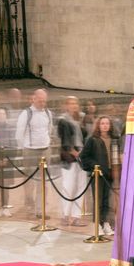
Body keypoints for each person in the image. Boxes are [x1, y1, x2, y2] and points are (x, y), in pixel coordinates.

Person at [14, 88, 53, 216]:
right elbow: (19, 134)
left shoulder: (48, 113)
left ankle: (40, 209)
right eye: (40, 101)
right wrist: (22, 148)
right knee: (29, 180)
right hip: (30, 151)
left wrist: (47, 143)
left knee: (44, 181)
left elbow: (49, 129)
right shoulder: (26, 113)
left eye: (44, 101)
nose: (42, 103)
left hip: (45, 150)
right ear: (34, 99)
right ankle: (29, 205)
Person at [80, 115, 119, 236]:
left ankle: (106, 223)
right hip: (97, 175)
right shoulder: (93, 139)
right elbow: (84, 156)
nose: (105, 125)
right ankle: (97, 224)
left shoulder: (114, 139)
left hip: (109, 174)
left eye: (107, 123)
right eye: (102, 123)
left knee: (107, 201)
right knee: (98, 200)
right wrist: (95, 166)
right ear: (98, 125)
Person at [57, 96, 87, 226]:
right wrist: (76, 154)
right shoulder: (63, 120)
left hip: (82, 155)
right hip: (70, 158)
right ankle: (65, 215)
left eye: (76, 103)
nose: (74, 105)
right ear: (66, 105)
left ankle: (76, 216)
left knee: (81, 187)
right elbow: (66, 142)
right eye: (71, 103)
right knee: (68, 186)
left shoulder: (80, 119)